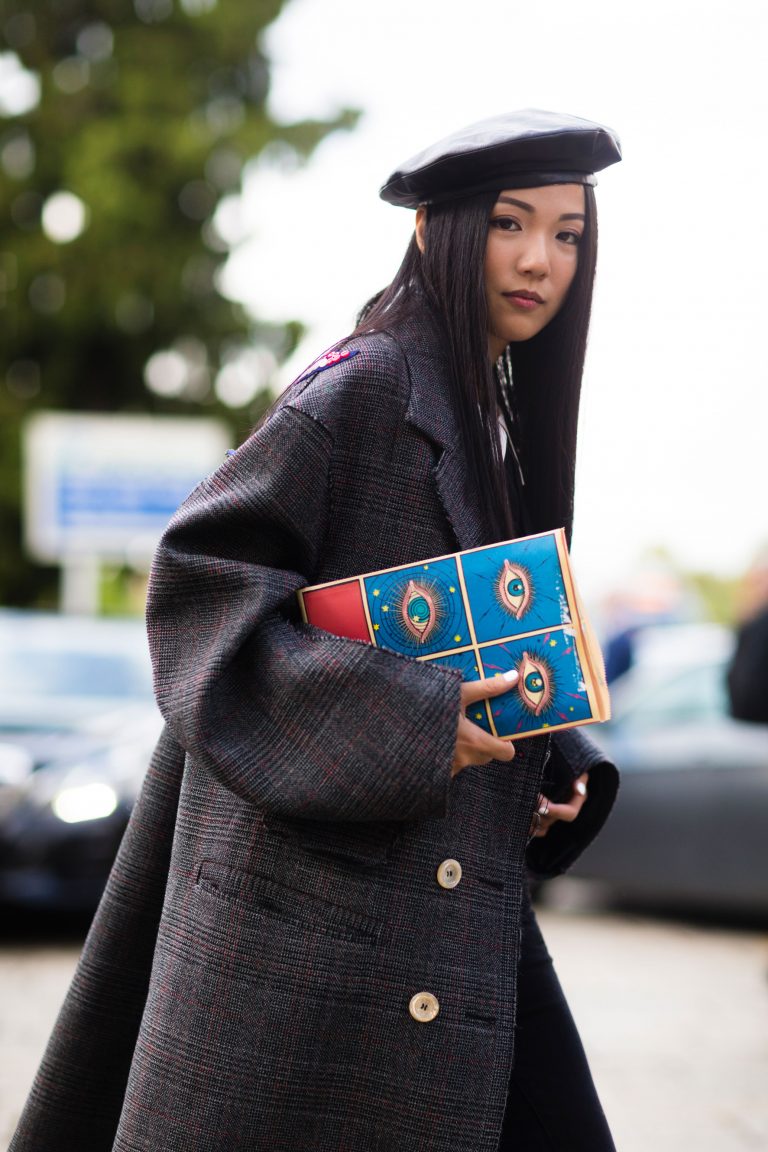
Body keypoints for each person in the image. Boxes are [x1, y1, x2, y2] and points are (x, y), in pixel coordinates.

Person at [12, 110, 621, 1152]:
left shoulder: (489, 416)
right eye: (513, 224)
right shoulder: (364, 386)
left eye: (568, 234)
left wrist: (547, 762)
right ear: (436, 231)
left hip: (444, 912)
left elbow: (478, 629)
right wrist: (415, 725)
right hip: (321, 925)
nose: (539, 260)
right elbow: (199, 594)